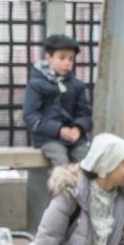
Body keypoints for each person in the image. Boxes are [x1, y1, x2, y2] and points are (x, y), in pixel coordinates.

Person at [22, 33, 92, 166]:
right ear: (48, 57)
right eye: (62, 58)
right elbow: (31, 116)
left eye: (71, 59)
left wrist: (78, 129)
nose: (67, 63)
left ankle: (86, 188)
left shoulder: (77, 85)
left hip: (75, 139)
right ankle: (64, 187)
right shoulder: (36, 84)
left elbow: (85, 114)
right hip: (48, 139)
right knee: (61, 164)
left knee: (89, 162)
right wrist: (59, 130)